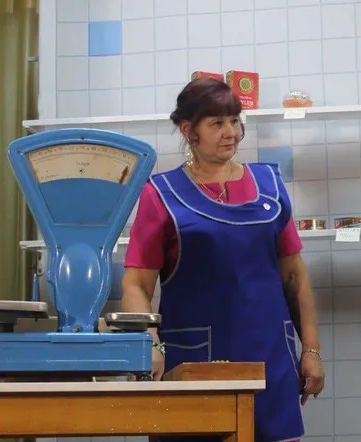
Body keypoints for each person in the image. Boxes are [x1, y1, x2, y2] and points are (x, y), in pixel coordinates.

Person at [120, 77, 324, 442]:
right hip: (193, 365)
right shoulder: (160, 195)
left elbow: (294, 277)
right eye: (217, 123)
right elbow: (136, 284)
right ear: (189, 131)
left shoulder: (270, 186)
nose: (231, 132)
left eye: (234, 120)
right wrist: (148, 343)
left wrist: (310, 350)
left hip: (270, 359)